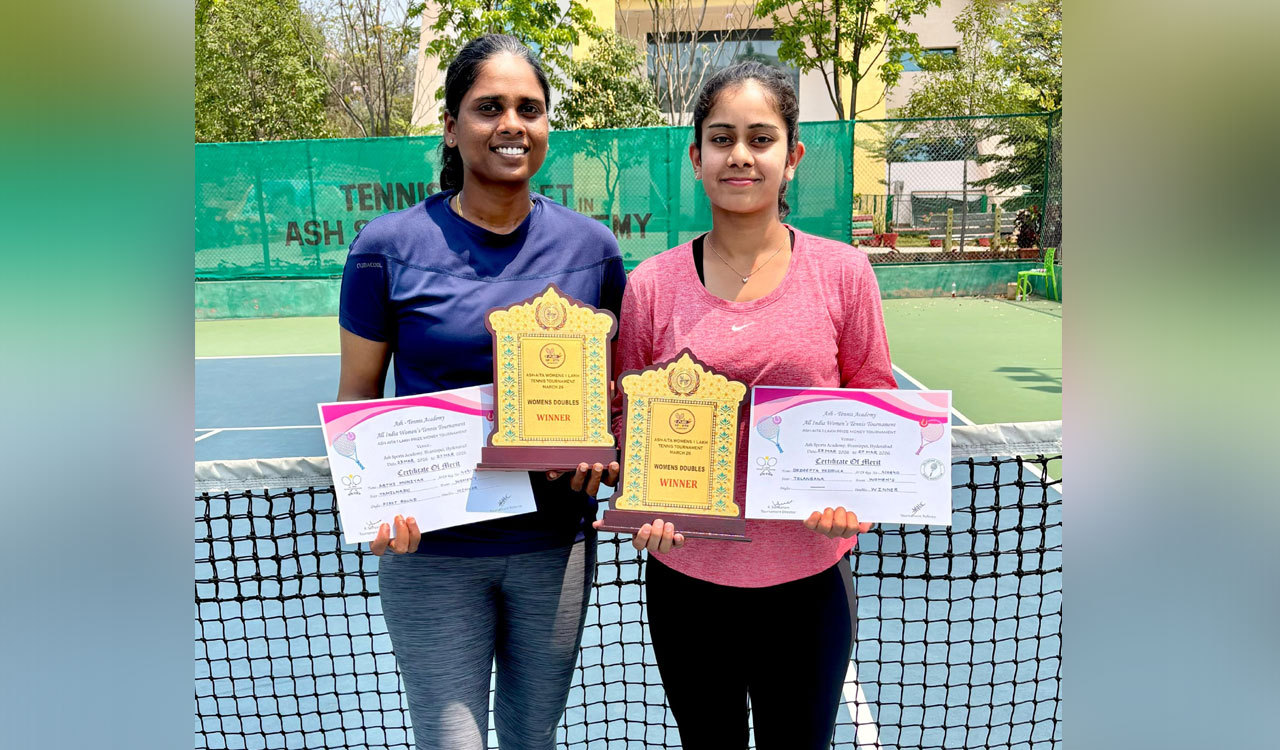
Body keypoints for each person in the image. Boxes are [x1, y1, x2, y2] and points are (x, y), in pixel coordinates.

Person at [596, 62, 896, 749]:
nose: (740, 155)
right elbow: (626, 414)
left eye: (761, 139)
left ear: (791, 157)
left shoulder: (845, 273)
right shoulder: (652, 285)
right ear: (696, 156)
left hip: (810, 578)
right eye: (722, 138)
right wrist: (643, 497)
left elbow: (874, 398)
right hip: (686, 581)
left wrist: (854, 498)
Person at [336, 34, 623, 750]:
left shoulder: (594, 251)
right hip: (431, 553)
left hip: (552, 547)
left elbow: (615, 396)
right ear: (451, 126)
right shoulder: (385, 247)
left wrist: (609, 449)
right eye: (488, 107)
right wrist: (372, 504)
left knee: (532, 739)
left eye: (529, 108)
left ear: (547, 125)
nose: (511, 124)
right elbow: (358, 399)